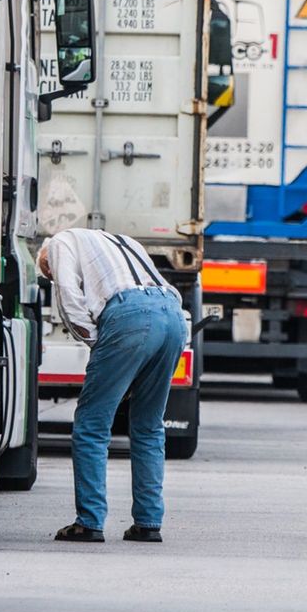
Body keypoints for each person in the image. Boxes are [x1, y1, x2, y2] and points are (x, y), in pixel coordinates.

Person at [37, 228, 186, 543]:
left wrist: (101, 347)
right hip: (172, 314)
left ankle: (89, 522)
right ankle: (148, 523)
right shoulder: (124, 241)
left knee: (91, 425)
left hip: (128, 316)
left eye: (48, 273)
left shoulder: (59, 244)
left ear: (46, 260)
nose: (52, 275)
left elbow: (70, 300)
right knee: (149, 425)